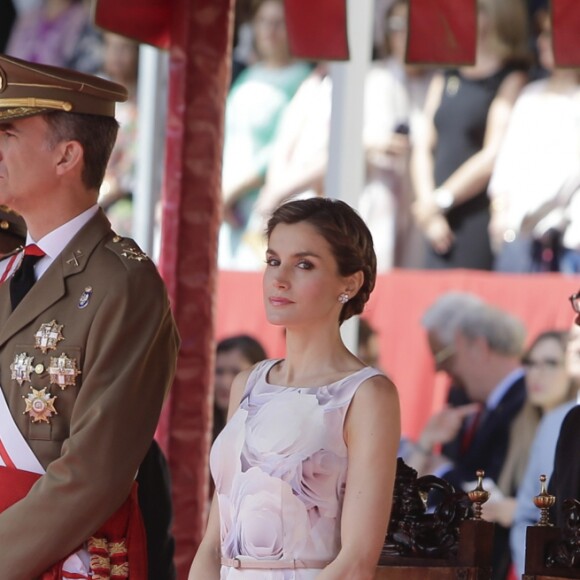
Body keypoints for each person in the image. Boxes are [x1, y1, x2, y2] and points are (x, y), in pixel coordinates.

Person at [0, 54, 180, 577]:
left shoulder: (124, 284)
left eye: (9, 134)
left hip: (62, 558)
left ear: (67, 156)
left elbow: (93, 475)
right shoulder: (8, 269)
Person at [190, 197, 401, 579]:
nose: (280, 278)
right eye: (273, 261)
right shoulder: (248, 382)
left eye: (304, 264)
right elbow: (212, 544)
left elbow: (355, 561)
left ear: (350, 283)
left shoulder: (367, 395)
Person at [408, 302, 527, 580]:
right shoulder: (467, 403)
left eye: (444, 357)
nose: (441, 370)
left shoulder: (527, 404)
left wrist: (440, 471)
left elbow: (500, 493)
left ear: (476, 345)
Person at [411, 0, 529, 270]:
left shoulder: (511, 77)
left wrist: (441, 200)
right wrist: (428, 206)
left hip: (474, 214)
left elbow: (492, 153)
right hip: (434, 220)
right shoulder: (447, 73)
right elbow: (423, 146)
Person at [218, 0, 311, 270]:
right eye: (264, 22)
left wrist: (234, 191)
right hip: (228, 200)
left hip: (263, 200)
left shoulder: (302, 78)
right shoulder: (247, 75)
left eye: (279, 23)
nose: (270, 30)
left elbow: (282, 147)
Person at [488, 9, 580, 273]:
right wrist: (500, 212)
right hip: (517, 240)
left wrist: (525, 216)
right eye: (541, 34)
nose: (541, 42)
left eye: (551, 35)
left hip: (565, 244)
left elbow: (570, 172)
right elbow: (507, 161)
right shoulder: (529, 94)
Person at [510, 324, 580, 576]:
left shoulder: (563, 419)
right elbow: (535, 515)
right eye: (530, 362)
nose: (537, 374)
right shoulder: (533, 423)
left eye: (550, 363)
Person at [213, 334, 267, 441]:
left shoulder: (264, 433)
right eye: (218, 372)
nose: (225, 382)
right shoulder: (199, 428)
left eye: (236, 372)